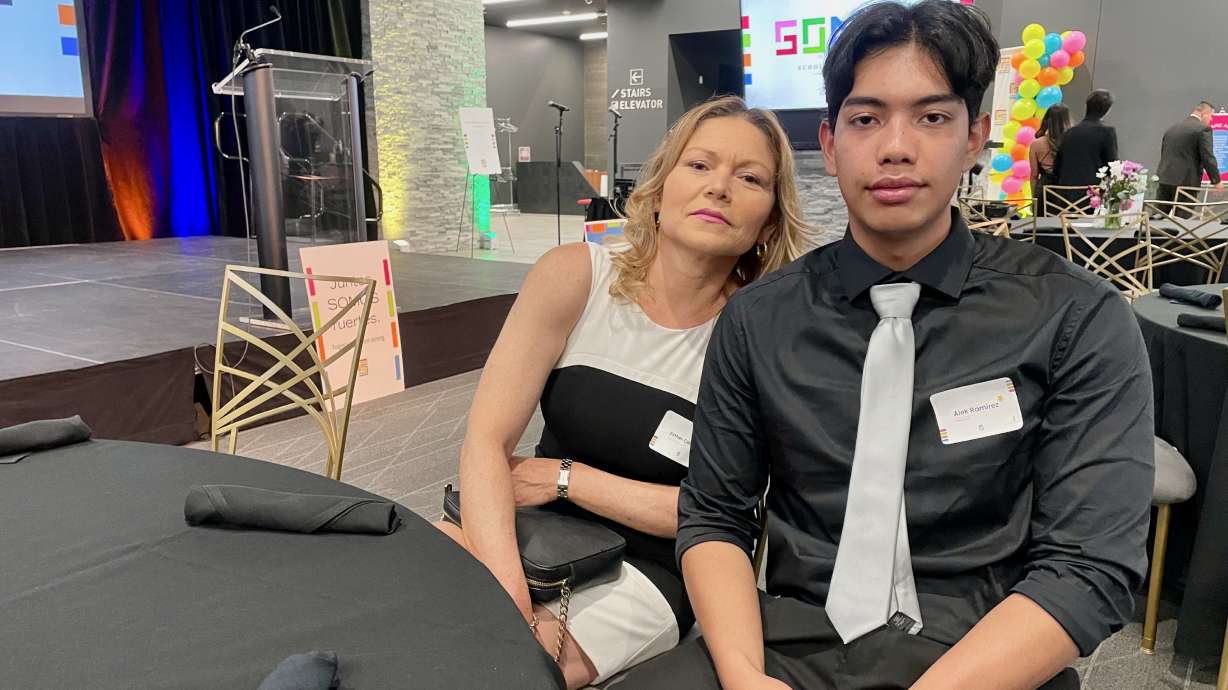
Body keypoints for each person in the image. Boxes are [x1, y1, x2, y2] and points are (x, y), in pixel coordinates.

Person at [620, 2, 1154, 689]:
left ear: (975, 139)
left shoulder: (1075, 317)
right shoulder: (759, 320)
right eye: (866, 119)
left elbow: (1088, 567)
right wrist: (744, 675)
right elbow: (714, 516)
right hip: (785, 640)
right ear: (831, 142)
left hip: (982, 649)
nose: (895, 146)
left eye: (932, 117)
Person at [435, 95, 811, 689]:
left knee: (492, 675)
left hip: (649, 570)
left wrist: (565, 477)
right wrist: (505, 588)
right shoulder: (573, 277)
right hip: (523, 529)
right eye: (700, 165)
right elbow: (485, 441)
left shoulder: (765, 337)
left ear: (768, 220)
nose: (719, 188)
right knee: (392, 621)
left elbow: (715, 514)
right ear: (660, 188)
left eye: (749, 178)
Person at [1155, 101, 1223, 217]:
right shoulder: (1203, 129)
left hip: (1165, 180)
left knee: (1157, 217)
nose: (1211, 120)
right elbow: (1207, 156)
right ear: (1204, 113)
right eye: (1211, 116)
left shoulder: (1172, 129)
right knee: (1182, 222)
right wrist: (1216, 180)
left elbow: (1164, 152)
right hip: (1185, 183)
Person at [1054, 89, 1118, 206]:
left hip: (1063, 199)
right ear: (1107, 110)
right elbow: (1112, 167)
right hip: (1092, 198)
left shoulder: (1069, 133)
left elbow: (1057, 167)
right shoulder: (1107, 132)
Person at [1029, 103, 1070, 215]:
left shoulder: (1036, 144)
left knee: (1042, 228)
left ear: (1046, 120)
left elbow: (1034, 175)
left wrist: (1034, 200)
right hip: (1066, 193)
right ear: (1067, 120)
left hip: (1044, 193)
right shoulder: (1072, 142)